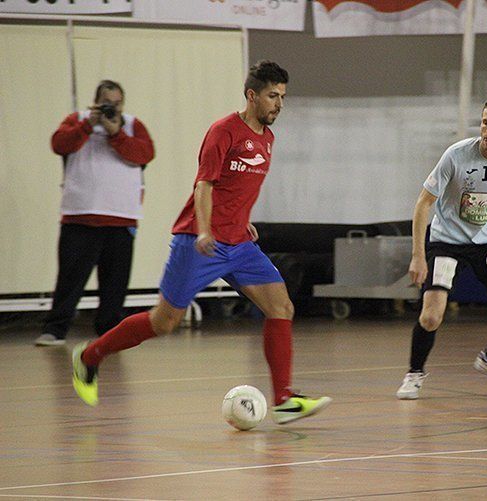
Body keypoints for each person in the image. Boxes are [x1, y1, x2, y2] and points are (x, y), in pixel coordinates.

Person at [71, 60, 331, 425]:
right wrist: (206, 230)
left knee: (281, 307)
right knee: (164, 322)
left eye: (283, 97)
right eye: (273, 96)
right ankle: (89, 357)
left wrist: (242, 221)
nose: (279, 104)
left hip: (239, 244)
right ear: (252, 95)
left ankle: (285, 399)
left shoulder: (267, 139)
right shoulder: (223, 130)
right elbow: (204, 185)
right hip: (198, 241)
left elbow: (236, 188)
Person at [396, 98, 487, 400]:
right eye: (485, 122)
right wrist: (418, 256)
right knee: (431, 317)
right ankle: (414, 373)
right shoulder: (456, 156)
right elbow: (423, 204)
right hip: (447, 242)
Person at [35, 80, 155, 347]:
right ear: (96, 101)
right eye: (106, 102)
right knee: (69, 279)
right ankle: (55, 329)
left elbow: (144, 154)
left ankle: (110, 332)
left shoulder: (133, 125)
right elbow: (59, 144)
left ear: (123, 103)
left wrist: (116, 133)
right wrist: (89, 124)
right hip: (80, 215)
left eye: (116, 103)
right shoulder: (77, 120)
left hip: (121, 218)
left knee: (115, 284)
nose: (111, 108)